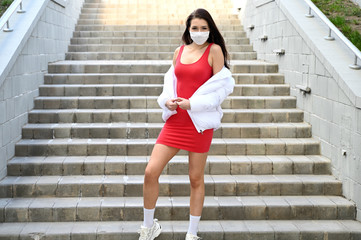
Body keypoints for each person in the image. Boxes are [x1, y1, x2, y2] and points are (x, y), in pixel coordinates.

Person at [138, 8, 235, 240]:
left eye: (204, 28)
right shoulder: (179, 51)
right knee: (150, 172)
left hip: (198, 123)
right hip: (175, 122)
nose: (199, 32)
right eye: (195, 28)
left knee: (195, 178)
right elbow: (168, 85)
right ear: (188, 29)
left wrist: (193, 104)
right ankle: (149, 227)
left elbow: (221, 89)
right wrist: (167, 101)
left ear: (210, 29)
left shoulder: (214, 50)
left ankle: (192, 234)